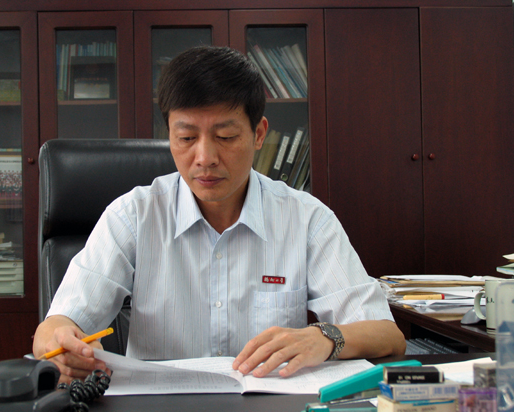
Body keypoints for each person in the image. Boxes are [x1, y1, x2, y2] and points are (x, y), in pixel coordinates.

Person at [33, 46, 405, 383]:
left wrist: (323, 337)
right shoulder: (133, 216)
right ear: (169, 135)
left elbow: (388, 336)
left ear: (259, 134)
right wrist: (60, 341)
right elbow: (54, 328)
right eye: (186, 138)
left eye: (225, 137)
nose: (205, 157)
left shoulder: (306, 218)